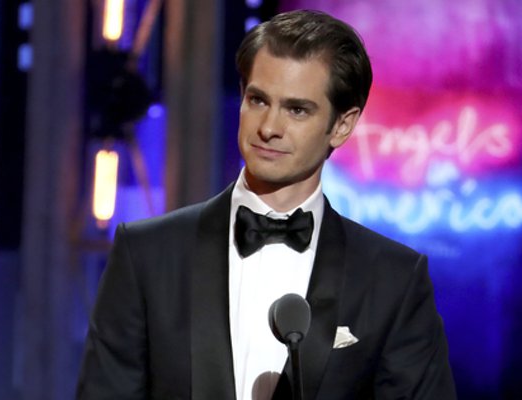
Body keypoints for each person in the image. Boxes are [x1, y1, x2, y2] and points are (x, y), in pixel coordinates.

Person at [76, 9, 455, 400]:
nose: (269, 128)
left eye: (296, 110)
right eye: (258, 100)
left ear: (342, 125)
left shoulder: (392, 279)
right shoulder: (148, 256)